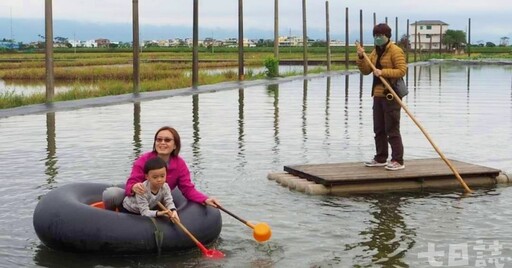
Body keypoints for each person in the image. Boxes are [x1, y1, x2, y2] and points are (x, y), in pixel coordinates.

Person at [103, 126, 220, 210]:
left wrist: (205, 199)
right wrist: (134, 187)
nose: (162, 143)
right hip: (136, 201)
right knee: (112, 194)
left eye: (167, 140)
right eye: (159, 140)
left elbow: (187, 189)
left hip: (157, 201)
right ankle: (114, 219)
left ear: (175, 145)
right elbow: (131, 183)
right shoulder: (143, 160)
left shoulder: (180, 164)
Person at [356, 23, 407, 171]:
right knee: (379, 128)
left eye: (380, 36)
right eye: (375, 36)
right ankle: (380, 157)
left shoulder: (395, 51)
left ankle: (398, 160)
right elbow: (366, 71)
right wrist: (360, 57)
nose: (378, 38)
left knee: (392, 128)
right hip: (377, 95)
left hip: (391, 95)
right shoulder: (374, 52)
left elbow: (402, 71)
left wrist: (383, 72)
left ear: (387, 36)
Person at [122, 157, 179, 221]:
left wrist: (173, 211)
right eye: (155, 177)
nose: (159, 180)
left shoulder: (165, 186)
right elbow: (144, 212)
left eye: (162, 176)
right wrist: (158, 213)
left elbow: (168, 201)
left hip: (148, 207)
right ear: (147, 177)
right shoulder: (142, 190)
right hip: (131, 210)